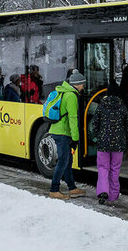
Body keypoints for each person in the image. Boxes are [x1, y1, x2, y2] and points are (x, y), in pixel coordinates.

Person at [47, 69, 87, 200]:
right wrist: (75, 138)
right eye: (82, 84)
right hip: (63, 133)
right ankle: (54, 189)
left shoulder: (64, 91)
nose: (83, 87)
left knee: (67, 161)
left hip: (58, 130)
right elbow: (73, 119)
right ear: (77, 84)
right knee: (63, 161)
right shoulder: (71, 96)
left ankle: (72, 188)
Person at [90, 80, 128, 205]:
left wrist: (95, 137)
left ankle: (103, 191)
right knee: (115, 169)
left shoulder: (101, 106)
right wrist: (125, 139)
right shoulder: (122, 107)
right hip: (118, 144)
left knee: (103, 167)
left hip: (103, 144)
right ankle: (113, 195)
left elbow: (95, 124)